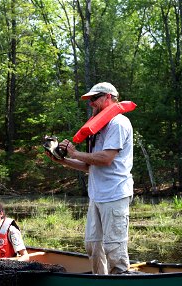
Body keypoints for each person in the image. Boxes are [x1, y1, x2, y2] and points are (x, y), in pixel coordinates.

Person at [47, 82, 134, 274]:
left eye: (94, 98)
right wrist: (63, 160)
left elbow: (106, 158)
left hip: (115, 194)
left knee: (114, 249)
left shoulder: (118, 123)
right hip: (97, 195)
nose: (91, 103)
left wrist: (75, 153)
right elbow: (89, 166)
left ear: (108, 97)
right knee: (93, 246)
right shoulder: (97, 128)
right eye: (89, 100)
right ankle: (101, 285)